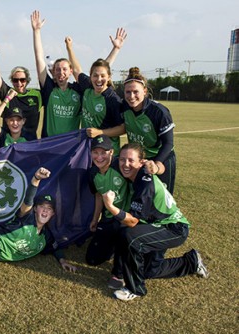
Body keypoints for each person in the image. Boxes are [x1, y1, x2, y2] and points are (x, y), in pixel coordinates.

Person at [102, 143, 209, 301]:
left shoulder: (145, 182)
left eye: (131, 160)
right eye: (122, 160)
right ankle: (191, 262)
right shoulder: (135, 172)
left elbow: (132, 222)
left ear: (142, 162)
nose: (125, 164)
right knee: (150, 270)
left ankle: (135, 289)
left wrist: (110, 206)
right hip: (156, 224)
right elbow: (109, 160)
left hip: (173, 228)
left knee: (130, 236)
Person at [65, 28, 127, 155]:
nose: (99, 79)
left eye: (103, 76)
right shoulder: (88, 87)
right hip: (89, 148)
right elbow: (76, 70)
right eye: (95, 76)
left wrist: (100, 132)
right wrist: (69, 48)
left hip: (108, 152)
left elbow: (123, 128)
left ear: (109, 77)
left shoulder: (112, 99)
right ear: (90, 76)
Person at [86, 135, 131, 290]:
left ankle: (119, 271)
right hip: (108, 218)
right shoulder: (92, 173)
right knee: (92, 259)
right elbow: (98, 196)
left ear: (112, 152)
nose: (99, 157)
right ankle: (113, 246)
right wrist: (95, 218)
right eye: (95, 152)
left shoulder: (121, 166)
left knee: (125, 238)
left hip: (125, 219)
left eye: (103, 152)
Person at [122, 67, 177, 194]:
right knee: (139, 198)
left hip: (161, 158)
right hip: (138, 159)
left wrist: (156, 164)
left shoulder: (159, 112)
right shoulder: (124, 107)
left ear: (145, 91)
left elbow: (168, 143)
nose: (131, 96)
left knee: (160, 197)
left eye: (136, 92)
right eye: (128, 92)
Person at [31, 10, 81, 138]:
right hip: (49, 144)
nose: (61, 72)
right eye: (57, 69)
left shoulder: (78, 90)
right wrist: (36, 32)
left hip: (70, 145)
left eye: (64, 69)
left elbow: (80, 72)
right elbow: (39, 59)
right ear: (53, 72)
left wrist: (69, 48)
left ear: (70, 71)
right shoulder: (49, 88)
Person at [0, 44, 42, 140]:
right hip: (9, 143)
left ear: (27, 80)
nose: (19, 83)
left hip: (30, 142)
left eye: (22, 80)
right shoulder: (8, 93)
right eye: (15, 80)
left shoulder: (37, 95)